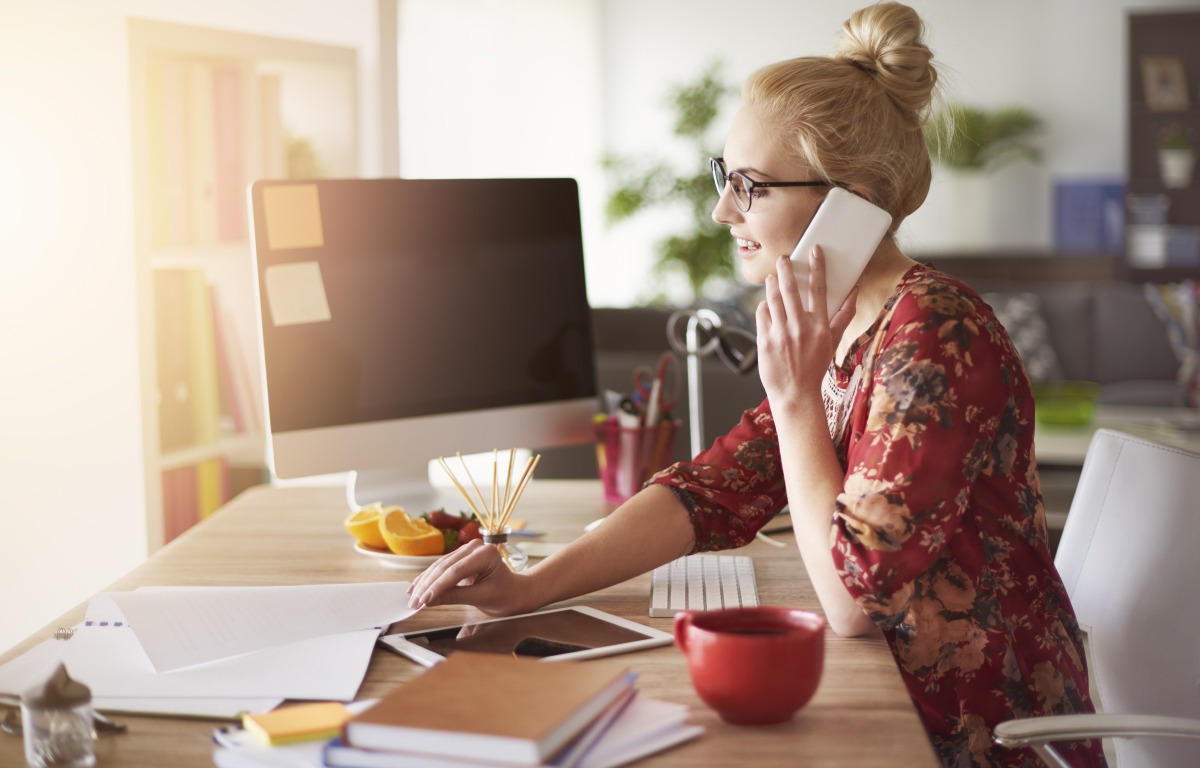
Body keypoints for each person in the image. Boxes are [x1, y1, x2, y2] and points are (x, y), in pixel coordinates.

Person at [409, 4, 1105, 766]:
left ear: (851, 201)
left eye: (750, 186)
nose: (721, 210)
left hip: (980, 735)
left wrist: (797, 396)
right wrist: (528, 587)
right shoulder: (841, 328)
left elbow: (853, 602)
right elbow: (713, 488)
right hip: (898, 707)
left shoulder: (936, 332)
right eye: (725, 179)